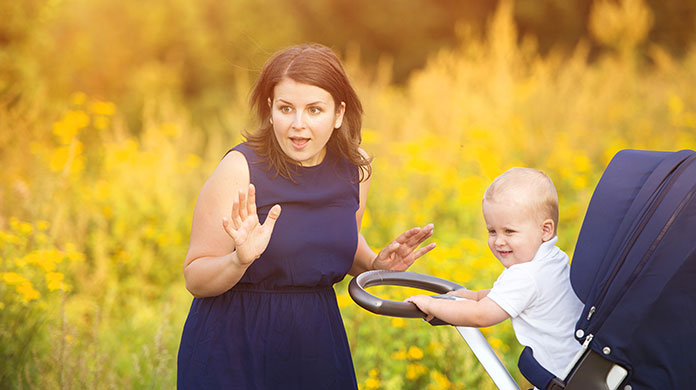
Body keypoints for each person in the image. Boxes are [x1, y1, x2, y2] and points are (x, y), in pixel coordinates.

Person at [177, 43, 437, 389]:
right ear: (270, 110)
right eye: (286, 108)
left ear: (339, 113)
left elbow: (337, 244)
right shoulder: (240, 169)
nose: (298, 125)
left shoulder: (355, 168)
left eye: (314, 110)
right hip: (236, 345)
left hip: (316, 343)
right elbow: (195, 277)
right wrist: (238, 261)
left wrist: (377, 264)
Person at [406, 167, 583, 379]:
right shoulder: (553, 259)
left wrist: (431, 304)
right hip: (578, 368)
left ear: (545, 230)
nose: (498, 241)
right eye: (492, 231)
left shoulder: (525, 274)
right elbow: (509, 296)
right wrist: (472, 296)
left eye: (509, 231)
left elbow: (481, 315)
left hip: (565, 378)